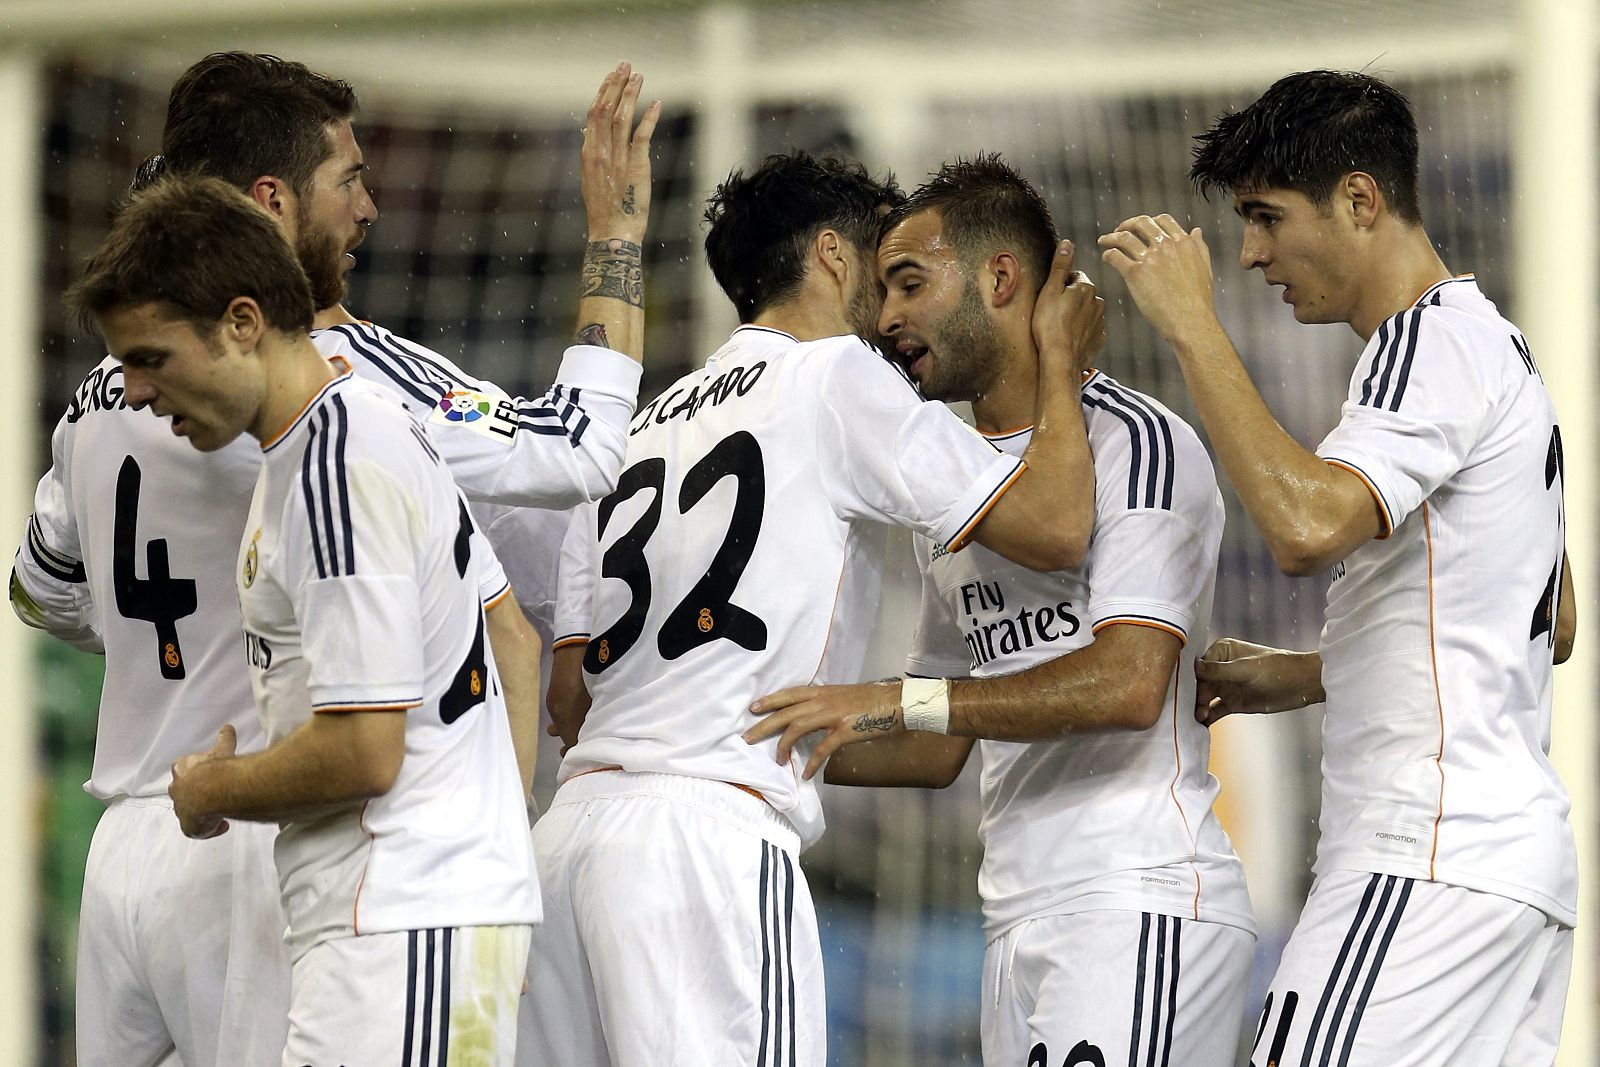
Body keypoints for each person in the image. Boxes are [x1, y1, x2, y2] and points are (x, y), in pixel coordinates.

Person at [8, 53, 655, 1066]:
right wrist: (616, 235)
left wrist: (160, 644)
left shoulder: (109, 383)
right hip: (255, 833)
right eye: (347, 179)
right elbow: (578, 444)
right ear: (272, 200)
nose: (369, 206)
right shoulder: (350, 393)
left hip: (124, 844)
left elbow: (41, 591)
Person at [521, 150, 1106, 1067]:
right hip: (705, 847)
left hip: (566, 844)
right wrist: (1061, 361)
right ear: (834, 260)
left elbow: (567, 696)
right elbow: (1060, 525)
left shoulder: (631, 426)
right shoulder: (836, 375)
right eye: (886, 274)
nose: (898, 311)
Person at [1095, 70, 1577, 1065]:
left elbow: (1307, 527)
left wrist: (1191, 326)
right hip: (1507, 873)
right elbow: (1547, 614)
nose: (1249, 252)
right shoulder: (1497, 348)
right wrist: (1313, 671)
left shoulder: (1424, 341)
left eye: (1267, 216)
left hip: (1424, 856)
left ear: (1360, 199)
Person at [744, 155, 1255, 1066]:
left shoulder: (1137, 444)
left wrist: (897, 699)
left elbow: (1132, 683)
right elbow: (940, 738)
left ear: (1001, 279)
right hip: (1016, 914)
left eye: (909, 282)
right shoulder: (956, 490)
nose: (887, 317)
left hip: (1135, 899)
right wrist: (730, 741)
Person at [64, 173, 536, 1062]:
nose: (129, 392)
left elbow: (366, 748)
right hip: (397, 920)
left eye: (150, 358)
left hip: (403, 920)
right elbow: (498, 634)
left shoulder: (333, 463)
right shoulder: (319, 448)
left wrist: (212, 790)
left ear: (242, 322)